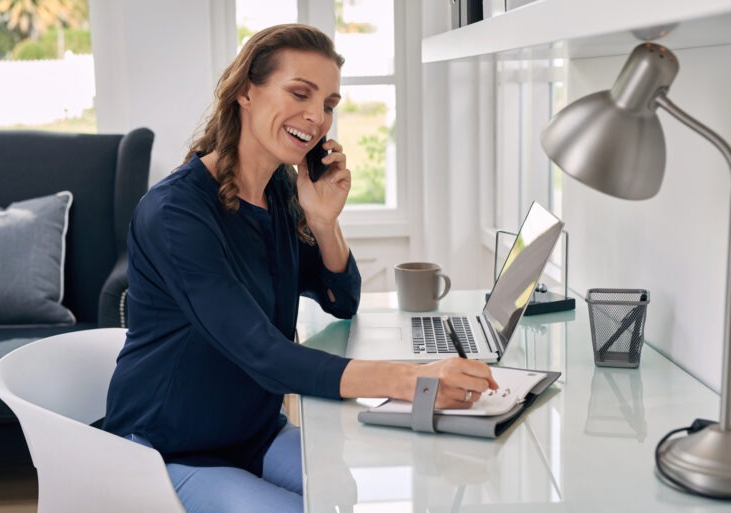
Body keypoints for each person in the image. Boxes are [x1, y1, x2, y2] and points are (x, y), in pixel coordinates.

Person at [104, 23, 498, 513]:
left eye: (329, 104)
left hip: (253, 432)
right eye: (300, 93)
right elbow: (263, 354)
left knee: (340, 493)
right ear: (246, 91)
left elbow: (342, 301)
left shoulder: (279, 193)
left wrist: (323, 220)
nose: (316, 117)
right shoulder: (176, 214)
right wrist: (415, 381)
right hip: (169, 447)